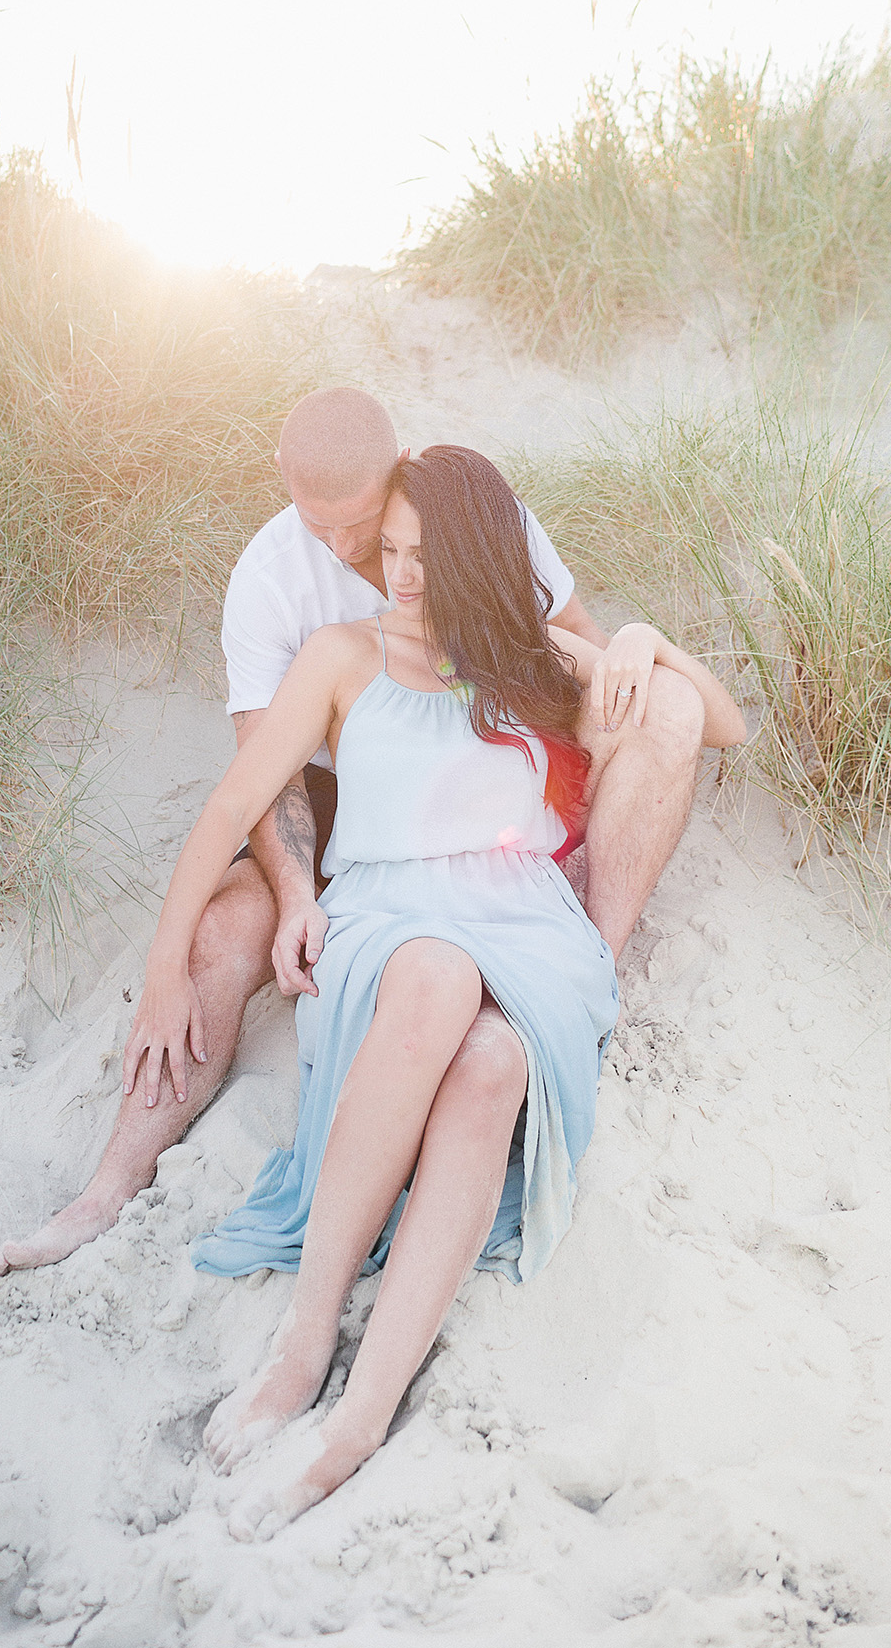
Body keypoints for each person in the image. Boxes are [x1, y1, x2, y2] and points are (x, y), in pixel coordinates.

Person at [121, 446, 747, 1535]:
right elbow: (229, 812)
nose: (401, 579)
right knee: (435, 973)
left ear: (477, 559)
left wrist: (636, 640)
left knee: (494, 1061)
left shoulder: (528, 663)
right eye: (392, 554)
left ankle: (361, 1418)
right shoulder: (340, 657)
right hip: (387, 923)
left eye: (426, 557)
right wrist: (161, 973)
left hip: (525, 926)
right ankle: (305, 1345)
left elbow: (716, 723)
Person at [0, 387, 715, 1278]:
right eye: (317, 523)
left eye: (360, 522)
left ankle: (583, 970)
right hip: (345, 790)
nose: (341, 547)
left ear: (399, 472)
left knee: (655, 731)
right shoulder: (271, 578)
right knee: (225, 931)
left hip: (480, 779)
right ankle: (106, 1188)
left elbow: (583, 663)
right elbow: (263, 772)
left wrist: (642, 660)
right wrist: (296, 899)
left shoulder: (470, 520)